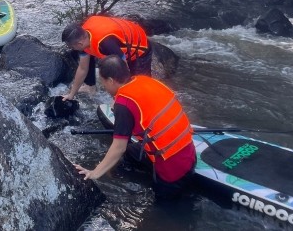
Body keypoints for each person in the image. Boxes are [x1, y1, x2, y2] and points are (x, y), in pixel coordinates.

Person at [74, 56, 196, 200]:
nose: (104, 88)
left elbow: (119, 147)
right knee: (132, 152)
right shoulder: (145, 81)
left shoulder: (124, 103)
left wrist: (94, 173)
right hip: (190, 153)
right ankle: (117, 171)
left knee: (163, 206)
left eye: (103, 82)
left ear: (111, 80)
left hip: (171, 171)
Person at [61, 15, 150, 100]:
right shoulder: (84, 37)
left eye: (72, 47)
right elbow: (83, 68)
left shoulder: (106, 43)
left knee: (138, 85)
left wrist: (118, 99)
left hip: (140, 45)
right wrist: (71, 94)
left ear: (79, 44)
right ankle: (90, 87)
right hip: (119, 41)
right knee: (88, 54)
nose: (73, 49)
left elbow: (123, 71)